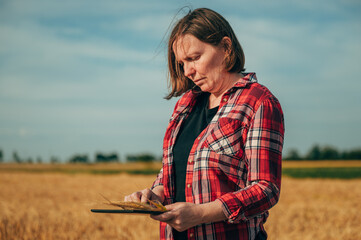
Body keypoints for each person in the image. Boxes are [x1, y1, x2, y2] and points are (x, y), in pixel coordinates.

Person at [124, 8, 285, 240]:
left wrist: (200, 214)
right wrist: (154, 194)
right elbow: (174, 170)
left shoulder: (258, 102)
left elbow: (265, 189)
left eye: (195, 58)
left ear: (226, 48)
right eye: (182, 63)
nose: (188, 71)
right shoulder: (185, 105)